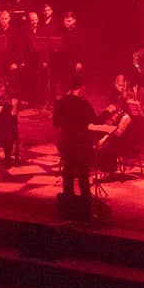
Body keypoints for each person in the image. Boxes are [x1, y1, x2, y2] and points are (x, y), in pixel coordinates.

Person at [54, 73, 97, 219]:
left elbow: (55, 123)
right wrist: (108, 112)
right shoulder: (84, 104)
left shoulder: (60, 102)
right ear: (82, 88)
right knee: (83, 175)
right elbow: (94, 121)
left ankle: (68, 207)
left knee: (68, 172)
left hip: (66, 142)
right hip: (81, 143)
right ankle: (86, 209)